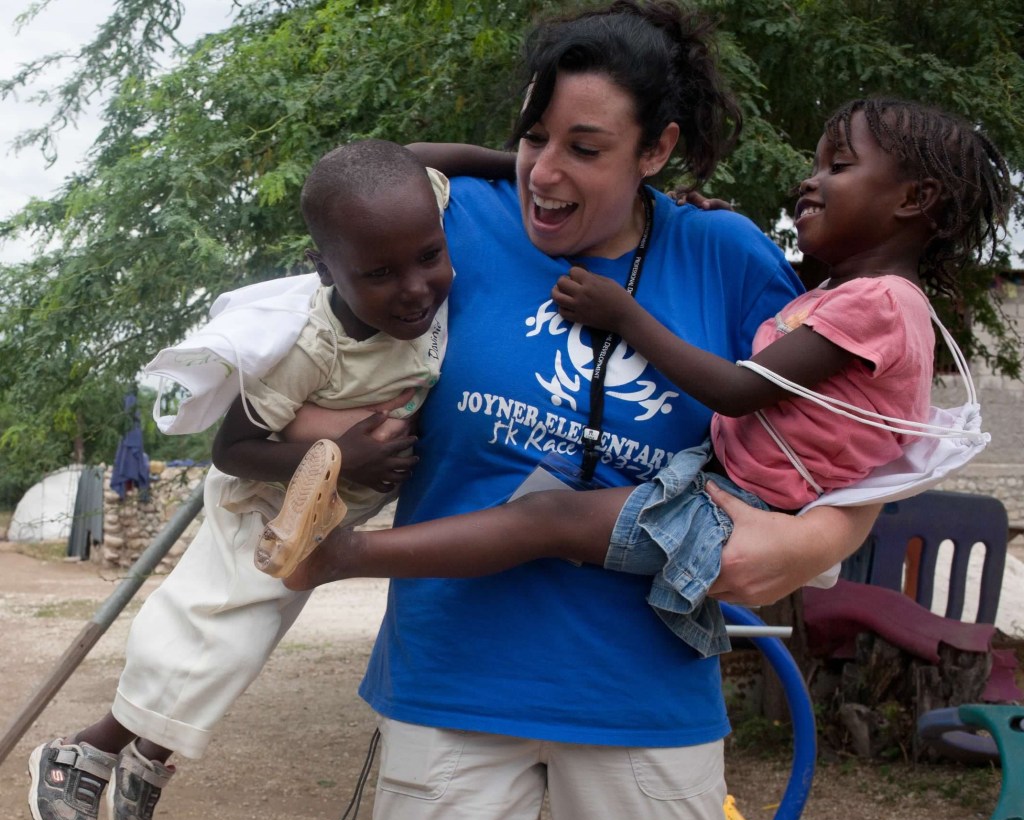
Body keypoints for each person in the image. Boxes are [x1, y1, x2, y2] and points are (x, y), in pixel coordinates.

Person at [280, 4, 892, 820]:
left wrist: (815, 541)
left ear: (658, 150)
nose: (546, 174)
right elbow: (356, 186)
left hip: (642, 695)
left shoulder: (726, 254)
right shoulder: (451, 227)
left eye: (587, 148)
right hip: (453, 681)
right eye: (536, 137)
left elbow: (872, 425)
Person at [286, 97, 1011, 667]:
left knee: (550, 522)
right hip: (721, 487)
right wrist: (532, 163)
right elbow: (401, 162)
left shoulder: (881, 304)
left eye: (839, 167)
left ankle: (341, 554)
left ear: (914, 200)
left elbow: (737, 389)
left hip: (737, 507)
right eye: (540, 139)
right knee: (553, 524)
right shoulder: (843, 298)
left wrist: (625, 315)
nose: (808, 180)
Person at [26, 138, 455, 820]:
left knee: (244, 646)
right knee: (209, 627)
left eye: (428, 259)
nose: (414, 288)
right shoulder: (312, 347)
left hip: (323, 514)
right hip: (261, 496)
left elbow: (433, 163)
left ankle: (146, 760)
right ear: (327, 270)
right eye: (379, 274)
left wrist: (521, 167)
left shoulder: (421, 224)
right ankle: (81, 754)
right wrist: (342, 453)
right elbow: (232, 448)